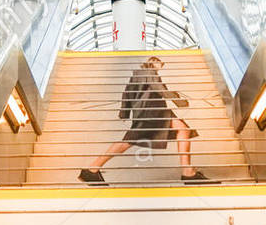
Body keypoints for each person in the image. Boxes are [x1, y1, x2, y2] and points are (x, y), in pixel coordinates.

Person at [79, 55, 208, 184]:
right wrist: (180, 102)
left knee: (182, 129)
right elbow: (160, 89)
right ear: (153, 62)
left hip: (149, 112)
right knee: (128, 141)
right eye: (160, 64)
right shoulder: (149, 72)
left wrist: (124, 113)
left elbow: (127, 94)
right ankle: (92, 169)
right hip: (152, 112)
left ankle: (187, 171)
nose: (161, 66)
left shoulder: (136, 75)